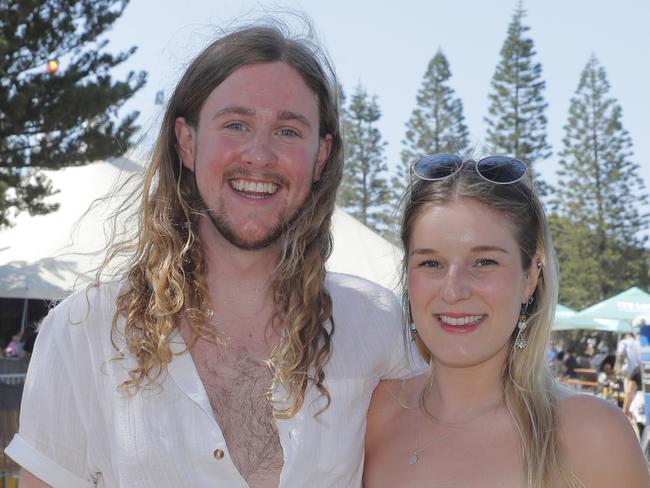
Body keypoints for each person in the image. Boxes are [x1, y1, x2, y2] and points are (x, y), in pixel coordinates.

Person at [6, 20, 416, 488]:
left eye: (287, 130)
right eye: (236, 124)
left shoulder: (376, 326)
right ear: (187, 141)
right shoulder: (83, 334)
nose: (259, 155)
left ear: (320, 156)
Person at [364, 153, 650, 487]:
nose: (454, 290)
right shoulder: (374, 414)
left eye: (484, 262)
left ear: (531, 278)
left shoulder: (593, 436)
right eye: (431, 263)